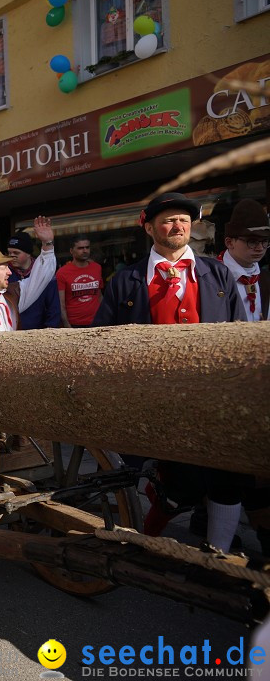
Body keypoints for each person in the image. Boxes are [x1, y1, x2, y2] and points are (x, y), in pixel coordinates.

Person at [94, 192, 245, 551]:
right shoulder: (125, 280)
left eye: (183, 220)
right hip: (150, 398)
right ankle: (147, 536)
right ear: (149, 228)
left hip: (211, 395)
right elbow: (98, 341)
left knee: (229, 474)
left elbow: (238, 332)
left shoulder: (218, 273)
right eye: (167, 220)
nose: (177, 226)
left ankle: (218, 558)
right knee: (183, 485)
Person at [219, 198, 269, 322]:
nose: (260, 248)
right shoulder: (213, 277)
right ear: (230, 242)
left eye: (265, 242)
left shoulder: (266, 278)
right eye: (252, 241)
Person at [7, 231, 61, 329]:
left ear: (28, 253)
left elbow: (54, 307)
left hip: (39, 333)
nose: (11, 256)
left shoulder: (44, 273)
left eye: (16, 253)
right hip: (12, 332)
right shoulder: (4, 274)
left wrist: (50, 330)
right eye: (9, 252)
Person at [55, 236, 103, 327]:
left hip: (97, 321)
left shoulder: (97, 268)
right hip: (75, 324)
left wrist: (104, 318)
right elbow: (61, 303)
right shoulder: (62, 272)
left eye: (87, 247)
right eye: (80, 248)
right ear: (71, 251)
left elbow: (99, 295)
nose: (85, 251)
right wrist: (67, 325)